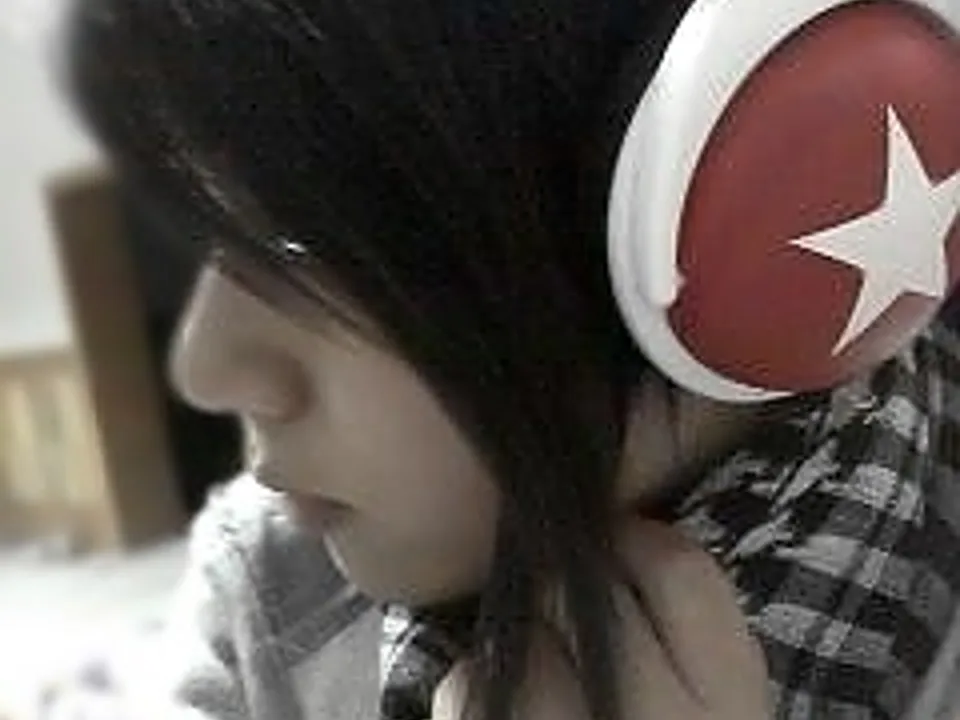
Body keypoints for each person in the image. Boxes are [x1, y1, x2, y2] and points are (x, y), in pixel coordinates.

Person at [50, 0, 960, 717]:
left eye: (304, 240)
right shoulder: (272, 583)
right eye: (213, 224)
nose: (204, 366)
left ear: (768, 194)